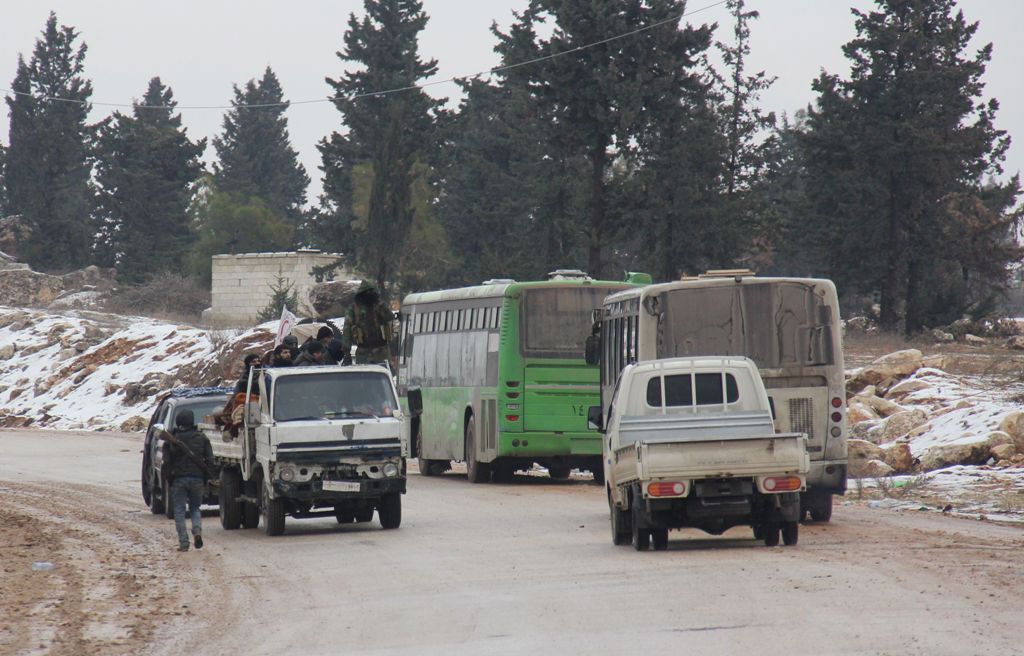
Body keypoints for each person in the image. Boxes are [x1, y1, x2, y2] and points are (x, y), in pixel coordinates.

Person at [163, 410, 215, 552]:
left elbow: (166, 463)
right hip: (197, 478)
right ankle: (197, 531)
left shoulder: (171, 439)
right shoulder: (202, 437)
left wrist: (170, 478)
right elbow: (210, 460)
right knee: (195, 508)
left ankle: (184, 543)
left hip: (179, 479)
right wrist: (207, 476)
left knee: (179, 511)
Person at [343, 281, 394, 365]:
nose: (369, 295)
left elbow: (390, 317)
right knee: (363, 376)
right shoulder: (354, 309)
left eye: (371, 292)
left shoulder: (379, 305)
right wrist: (347, 353)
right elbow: (347, 330)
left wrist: (380, 304)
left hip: (381, 350)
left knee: (384, 373)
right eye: (367, 293)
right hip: (364, 351)